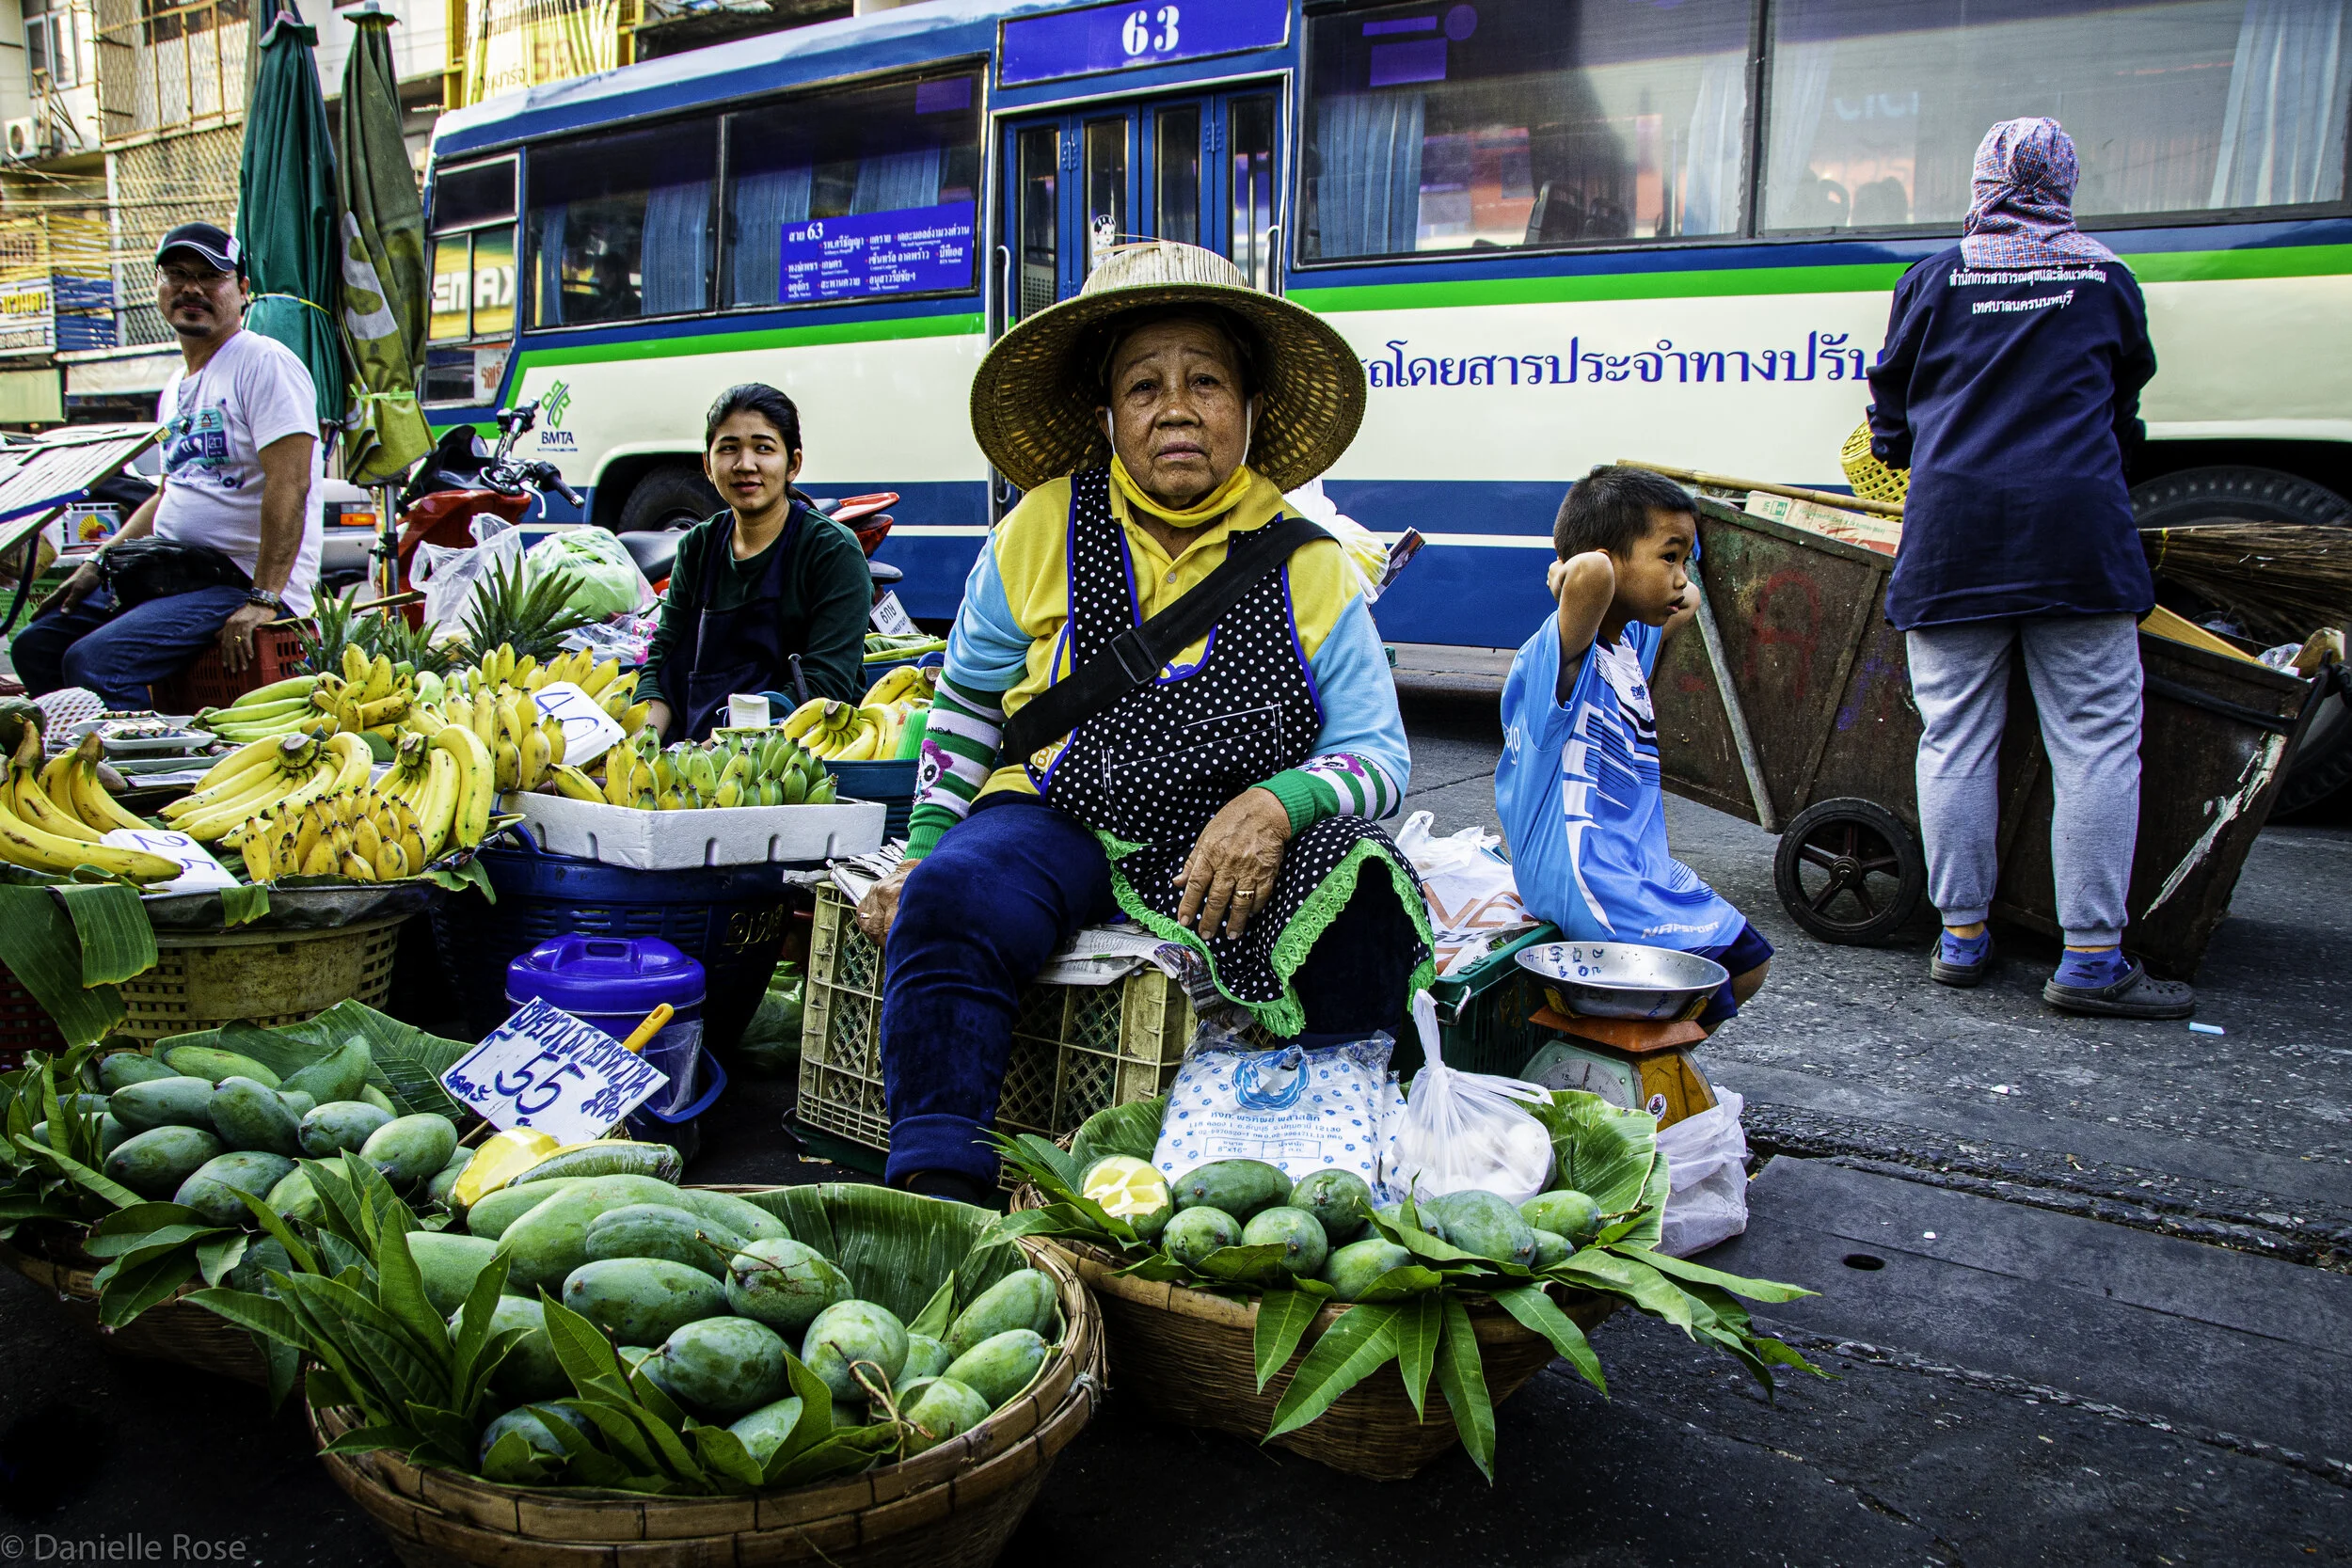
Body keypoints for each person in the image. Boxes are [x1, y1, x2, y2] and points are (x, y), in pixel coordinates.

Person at [853, 241, 1430, 1203]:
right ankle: (935, 1180)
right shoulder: (1037, 526)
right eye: (1142, 384)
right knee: (952, 895)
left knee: (1364, 885)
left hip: (1231, 841)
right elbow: (961, 702)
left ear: (1248, 409)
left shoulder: (1308, 560)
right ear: (1107, 415)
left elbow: (1375, 754)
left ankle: (1320, 1160)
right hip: (1058, 812)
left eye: (1205, 380)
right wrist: (921, 843)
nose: (1174, 406)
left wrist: (1276, 804)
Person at [1867, 117, 2191, 1021]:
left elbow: (1890, 419)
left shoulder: (1932, 279)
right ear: (2064, 182)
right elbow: (2124, 413)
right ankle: (2090, 956)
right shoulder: (2106, 279)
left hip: (1952, 539)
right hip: (2077, 540)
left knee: (1955, 736)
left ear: (1981, 182)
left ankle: (1962, 936)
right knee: (2092, 742)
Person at [1495, 466, 1772, 1033]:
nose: (1681, 576)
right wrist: (1569, 572)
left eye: (1684, 558)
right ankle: (1639, 1066)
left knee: (1749, 962)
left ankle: (1651, 1060)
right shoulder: (1563, 654)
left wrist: (1664, 569)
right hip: (1586, 875)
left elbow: (1689, 599)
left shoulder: (1630, 643)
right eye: (1668, 556)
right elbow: (1595, 570)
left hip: (1632, 865)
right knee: (1706, 983)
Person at [12, 223, 321, 709]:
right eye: (177, 274)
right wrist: (97, 563)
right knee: (37, 645)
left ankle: (144, 776)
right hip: (177, 577)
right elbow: (166, 495)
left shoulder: (263, 363)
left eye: (209, 276)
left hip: (240, 580)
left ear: (241, 290)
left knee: (98, 661)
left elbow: (291, 483)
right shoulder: (176, 385)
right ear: (159, 286)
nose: (191, 288)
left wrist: (263, 598)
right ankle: (70, 767)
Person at [637, 384, 873, 742]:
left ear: (792, 464)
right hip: (694, 755)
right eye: (729, 448)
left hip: (797, 756)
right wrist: (643, 743)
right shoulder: (697, 547)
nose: (745, 465)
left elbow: (825, 685)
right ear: (707, 464)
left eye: (763, 448)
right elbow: (663, 660)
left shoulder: (831, 550)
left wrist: (720, 749)